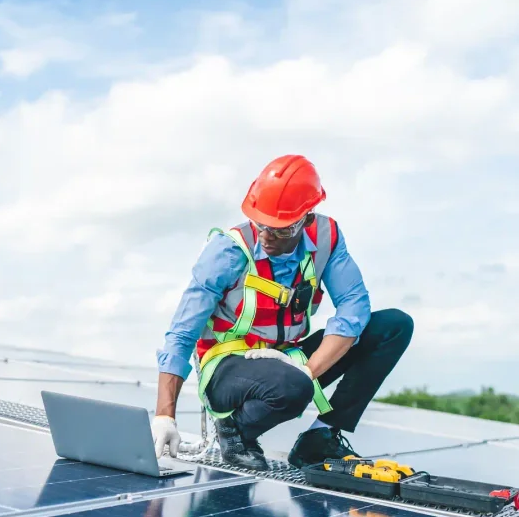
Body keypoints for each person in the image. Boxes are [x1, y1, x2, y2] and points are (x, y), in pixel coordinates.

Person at [152, 154, 413, 471]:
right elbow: (182, 332)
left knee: (394, 326)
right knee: (292, 386)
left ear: (307, 218)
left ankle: (321, 437)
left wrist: (309, 369)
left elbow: (354, 307)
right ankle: (234, 432)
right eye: (259, 224)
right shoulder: (227, 251)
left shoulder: (327, 239)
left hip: (287, 357)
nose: (265, 236)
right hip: (227, 367)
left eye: (279, 230)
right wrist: (165, 414)